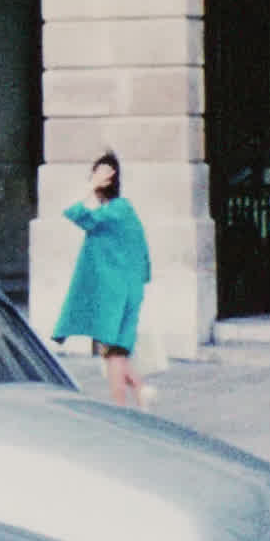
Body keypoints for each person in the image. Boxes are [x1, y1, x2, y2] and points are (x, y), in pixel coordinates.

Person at [52, 150, 153, 408]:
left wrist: (90, 187)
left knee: (112, 354)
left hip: (114, 294)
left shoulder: (113, 213)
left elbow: (72, 211)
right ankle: (141, 393)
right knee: (118, 352)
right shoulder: (123, 211)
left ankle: (122, 407)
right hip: (127, 291)